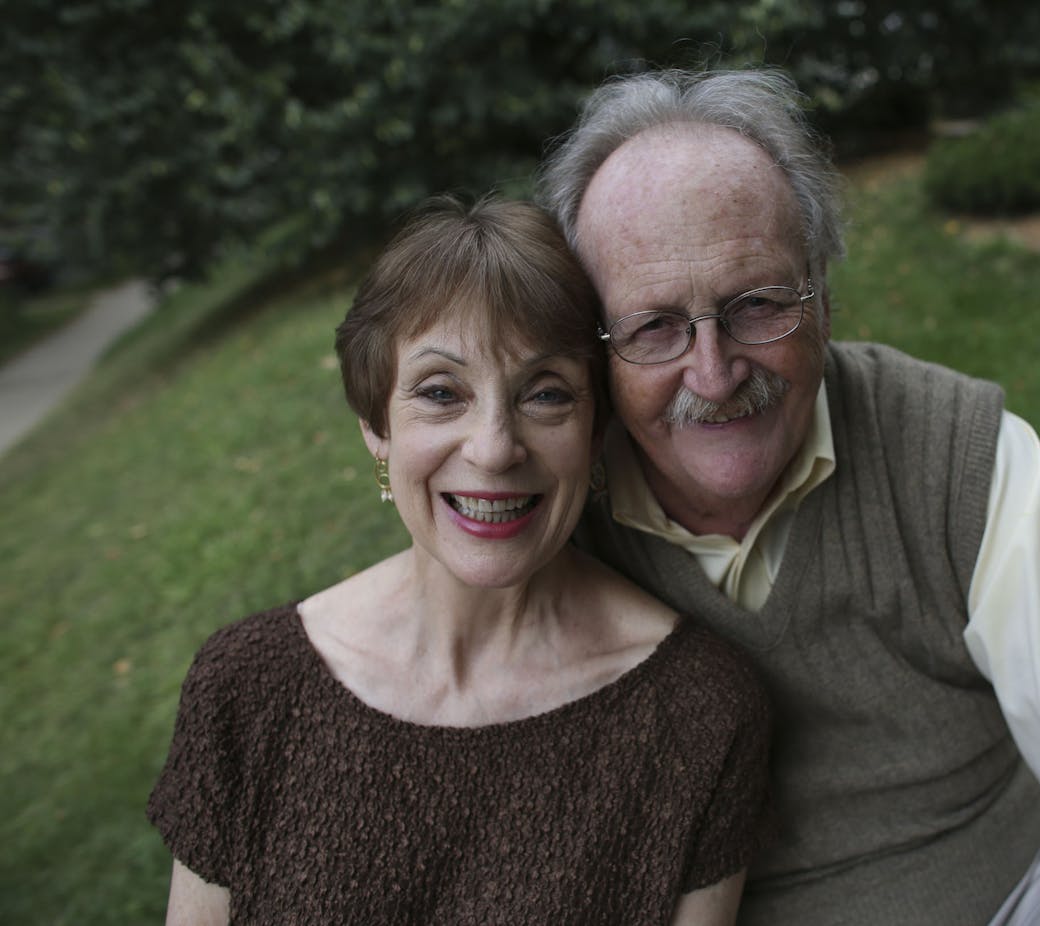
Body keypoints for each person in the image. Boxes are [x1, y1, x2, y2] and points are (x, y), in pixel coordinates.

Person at [537, 69, 1040, 925]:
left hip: (1012, 891)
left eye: (757, 305)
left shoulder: (952, 450)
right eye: (654, 327)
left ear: (824, 297)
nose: (712, 374)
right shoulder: (559, 509)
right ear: (595, 345)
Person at [147, 195, 773, 925]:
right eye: (442, 393)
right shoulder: (247, 689)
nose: (494, 447)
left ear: (596, 432)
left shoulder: (699, 715)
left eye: (545, 395)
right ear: (375, 426)